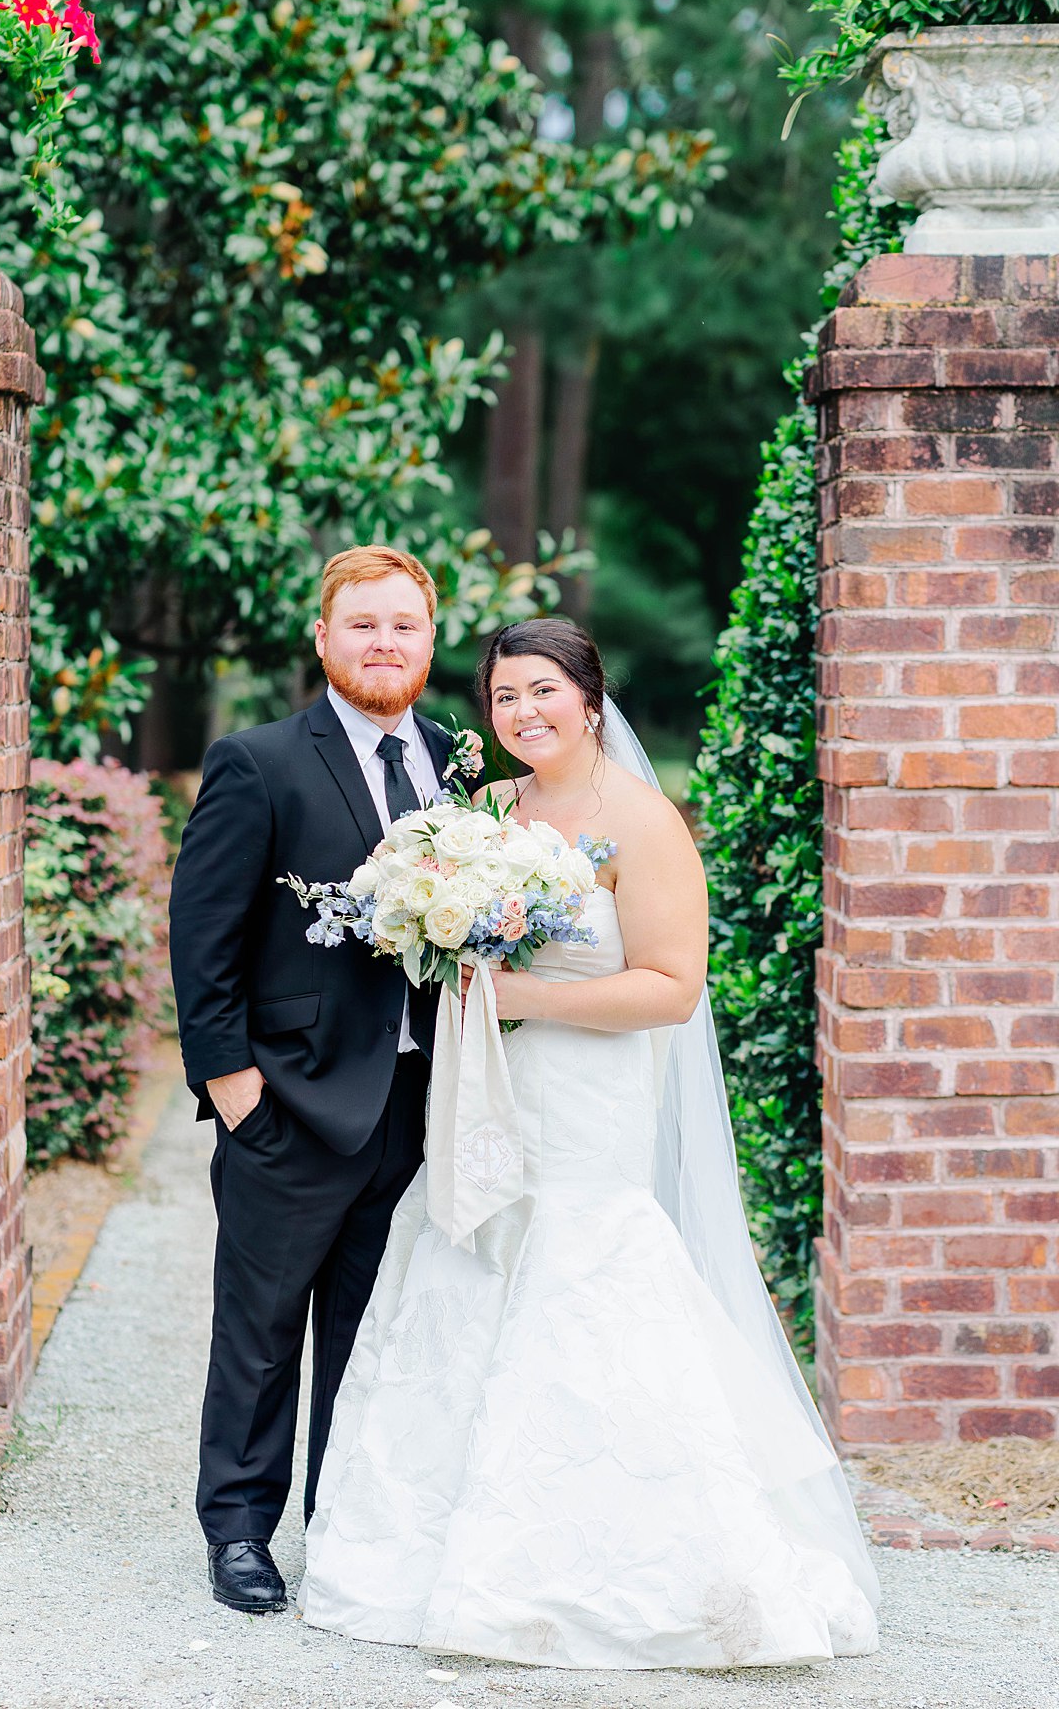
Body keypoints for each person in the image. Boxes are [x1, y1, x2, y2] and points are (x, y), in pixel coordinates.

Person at [298, 619, 880, 1669]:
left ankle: (634, 1568)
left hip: (589, 1099)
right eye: (505, 697)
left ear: (590, 697)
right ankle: (439, 1556)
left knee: (587, 1278)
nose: (524, 713)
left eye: (542, 691)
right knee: (471, 1262)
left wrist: (520, 991)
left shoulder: (646, 823)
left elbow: (672, 987)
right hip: (492, 1092)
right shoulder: (480, 817)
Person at [168, 545, 475, 1616]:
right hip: (288, 1101)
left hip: (411, 1104)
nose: (385, 643)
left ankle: (343, 1524)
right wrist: (231, 1083)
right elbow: (202, 936)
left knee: (370, 1329)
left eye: (404, 626)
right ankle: (240, 1532)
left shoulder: (454, 762)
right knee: (260, 1332)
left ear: (429, 643)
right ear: (323, 639)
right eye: (364, 625)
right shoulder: (258, 761)